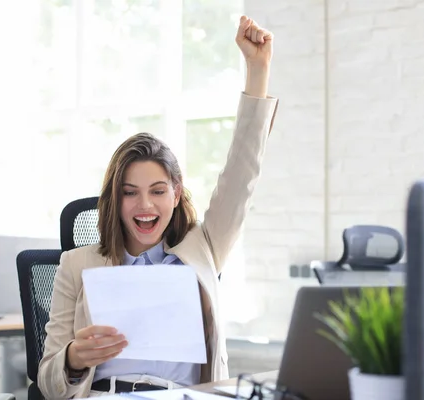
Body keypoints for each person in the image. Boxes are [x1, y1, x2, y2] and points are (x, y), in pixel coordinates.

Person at [38, 15, 278, 399]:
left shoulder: (205, 248)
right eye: (130, 192)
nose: (145, 205)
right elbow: (49, 386)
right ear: (114, 198)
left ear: (177, 192)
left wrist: (257, 69)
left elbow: (242, 172)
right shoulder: (77, 265)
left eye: (158, 190)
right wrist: (72, 358)